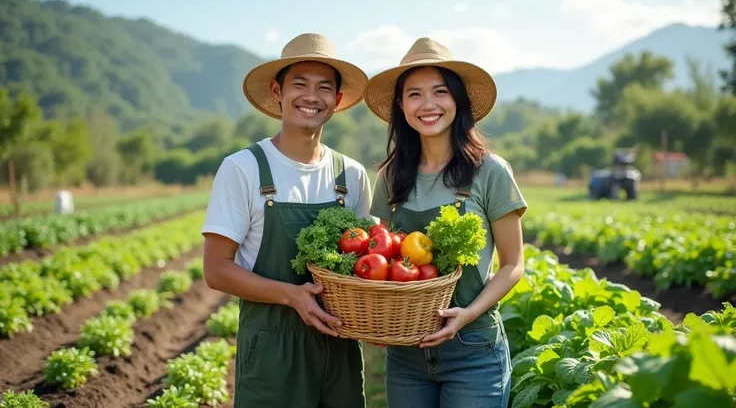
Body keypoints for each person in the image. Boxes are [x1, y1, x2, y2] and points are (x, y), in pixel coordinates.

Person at [200, 33, 372, 408]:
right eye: (300, 84)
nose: (312, 97)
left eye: (324, 88)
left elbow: (362, 269)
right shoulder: (243, 168)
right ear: (277, 91)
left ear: (337, 100)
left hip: (339, 346)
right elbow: (215, 270)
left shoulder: (352, 176)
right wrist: (292, 296)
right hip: (271, 350)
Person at [363, 37, 528, 407]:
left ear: (457, 101)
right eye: (415, 94)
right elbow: (386, 263)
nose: (428, 105)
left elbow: (513, 265)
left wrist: (466, 315)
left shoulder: (490, 171)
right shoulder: (391, 176)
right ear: (401, 106)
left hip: (473, 351)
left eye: (440, 92)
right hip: (406, 353)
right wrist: (378, 318)